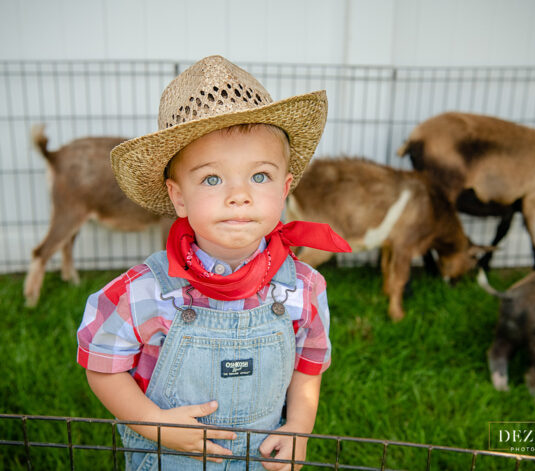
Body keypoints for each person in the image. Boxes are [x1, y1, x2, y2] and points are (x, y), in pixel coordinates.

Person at [76, 55, 351, 470]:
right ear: (178, 196)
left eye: (260, 176)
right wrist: (154, 423)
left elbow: (309, 365)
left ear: (285, 188)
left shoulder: (303, 289)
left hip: (262, 459)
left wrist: (298, 426)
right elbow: (102, 365)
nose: (239, 194)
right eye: (211, 179)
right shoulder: (146, 292)